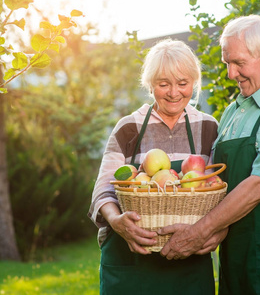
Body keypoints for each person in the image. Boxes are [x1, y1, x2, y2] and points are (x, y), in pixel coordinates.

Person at [158, 15, 260, 295]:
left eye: (238, 63)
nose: (230, 74)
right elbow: (216, 180)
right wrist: (216, 230)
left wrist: (199, 232)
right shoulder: (233, 111)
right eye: (227, 64)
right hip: (234, 244)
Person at [88, 38, 223, 294]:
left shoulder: (208, 127)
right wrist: (117, 221)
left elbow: (216, 189)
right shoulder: (129, 127)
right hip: (132, 263)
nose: (174, 92)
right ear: (151, 85)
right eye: (164, 84)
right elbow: (103, 189)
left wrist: (216, 231)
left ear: (193, 83)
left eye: (183, 83)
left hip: (188, 264)